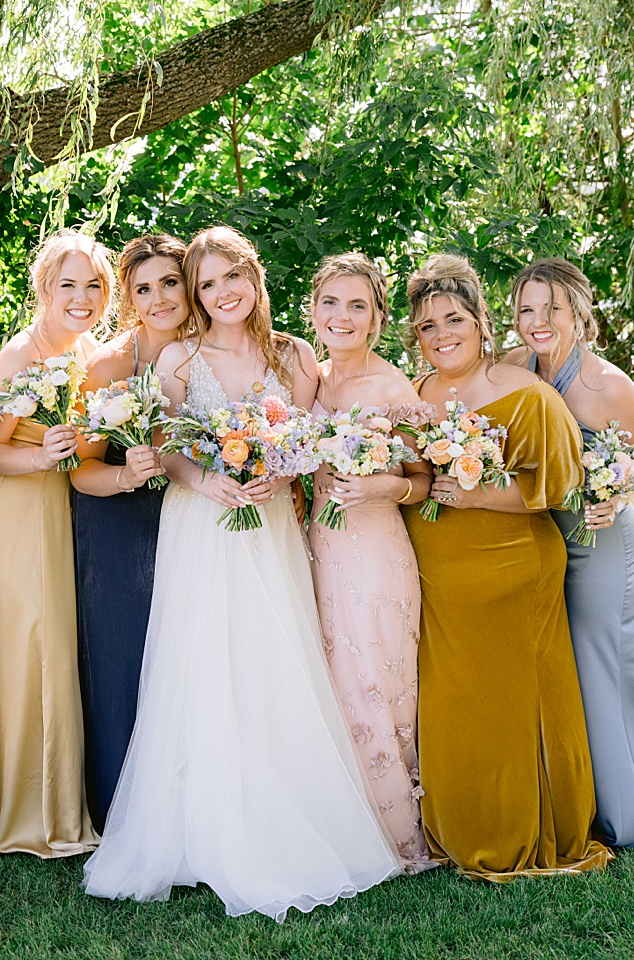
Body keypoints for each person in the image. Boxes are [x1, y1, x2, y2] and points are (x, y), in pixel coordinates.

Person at [82, 226, 401, 920]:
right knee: (203, 665)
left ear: (254, 278)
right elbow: (165, 447)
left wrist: (279, 469)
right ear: (196, 295)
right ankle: (198, 831)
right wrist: (208, 482)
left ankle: (286, 816)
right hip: (203, 524)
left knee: (271, 660)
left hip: (273, 528)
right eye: (207, 283)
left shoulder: (294, 356)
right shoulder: (177, 358)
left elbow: (310, 442)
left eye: (234, 276)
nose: (224, 292)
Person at [402, 253, 612, 880]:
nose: (442, 334)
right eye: (428, 326)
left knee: (515, 702)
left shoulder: (527, 395)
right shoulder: (413, 396)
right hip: (439, 577)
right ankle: (459, 825)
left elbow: (557, 489)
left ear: (482, 321)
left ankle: (524, 831)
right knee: (454, 702)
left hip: (514, 572)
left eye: (454, 319)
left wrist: (470, 493)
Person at [505, 257, 634, 849]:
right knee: (556, 676)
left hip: (601, 544)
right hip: (537, 540)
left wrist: (617, 492)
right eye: (527, 309)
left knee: (608, 676)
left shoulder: (609, 388)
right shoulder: (511, 369)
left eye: (551, 309)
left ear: (579, 312)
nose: (538, 321)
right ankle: (573, 804)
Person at [0, 229, 109, 860]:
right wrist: (42, 455)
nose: (81, 296)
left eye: (93, 286)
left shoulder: (90, 353)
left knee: (51, 653)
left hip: (56, 519)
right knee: (23, 654)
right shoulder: (21, 355)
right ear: (44, 288)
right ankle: (19, 815)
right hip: (12, 520)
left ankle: (54, 803)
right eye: (68, 284)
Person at [305, 253, 435, 871]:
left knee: (374, 683)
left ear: (378, 316)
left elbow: (423, 480)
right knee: (326, 679)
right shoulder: (309, 380)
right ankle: (337, 820)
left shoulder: (391, 388)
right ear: (314, 309)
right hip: (314, 546)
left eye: (358, 305)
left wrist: (379, 487)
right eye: (331, 302)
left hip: (374, 553)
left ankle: (395, 833)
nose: (343, 316)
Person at [70, 234, 190, 830]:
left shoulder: (209, 353)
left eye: (170, 281)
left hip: (192, 525)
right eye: (144, 288)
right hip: (121, 526)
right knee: (124, 658)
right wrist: (124, 474)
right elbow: (80, 472)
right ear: (129, 300)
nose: (160, 296)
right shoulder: (112, 367)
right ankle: (122, 810)